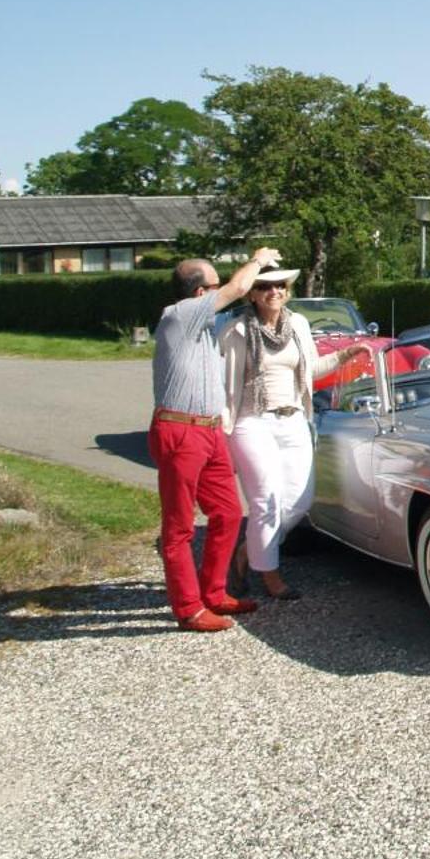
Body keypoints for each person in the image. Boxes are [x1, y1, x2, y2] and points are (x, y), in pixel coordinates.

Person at [148, 247, 282, 632]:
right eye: (214, 284)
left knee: (226, 513)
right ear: (198, 293)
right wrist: (258, 260)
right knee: (179, 527)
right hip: (180, 428)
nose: (221, 289)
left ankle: (214, 592)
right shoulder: (180, 315)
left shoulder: (202, 326)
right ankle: (188, 609)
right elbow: (239, 287)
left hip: (207, 430)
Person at [219, 268, 351, 600]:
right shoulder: (235, 330)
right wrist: (221, 429)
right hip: (252, 420)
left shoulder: (299, 326)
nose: (274, 291)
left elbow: (312, 369)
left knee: (299, 499)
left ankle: (246, 554)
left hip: (293, 418)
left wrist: (347, 355)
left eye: (280, 285)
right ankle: (271, 576)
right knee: (266, 499)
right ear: (251, 293)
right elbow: (224, 387)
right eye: (264, 286)